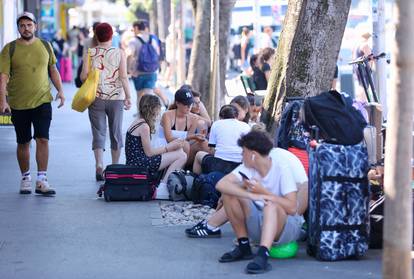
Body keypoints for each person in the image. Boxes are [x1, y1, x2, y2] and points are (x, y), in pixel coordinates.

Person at [186, 134, 308, 245]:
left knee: (247, 191)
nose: (241, 156)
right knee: (239, 191)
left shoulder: (271, 164)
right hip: (289, 214)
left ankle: (211, 225)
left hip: (286, 219)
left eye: (243, 152)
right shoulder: (269, 158)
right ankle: (213, 226)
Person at [216, 131, 306, 274]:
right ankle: (244, 246)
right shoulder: (247, 168)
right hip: (260, 223)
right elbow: (221, 184)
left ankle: (263, 255)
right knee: (229, 194)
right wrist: (249, 194)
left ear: (253, 155)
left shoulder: (281, 168)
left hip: (286, 227)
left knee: (270, 205)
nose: (241, 156)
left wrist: (262, 192)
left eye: (243, 152)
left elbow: (292, 207)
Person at [0, 12, 65, 195]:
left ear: (35, 26)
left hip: (43, 100)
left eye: (29, 25)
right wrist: (2, 100)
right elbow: (3, 77)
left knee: (43, 138)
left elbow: (53, 69)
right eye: (22, 25)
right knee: (23, 142)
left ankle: (42, 180)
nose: (26, 28)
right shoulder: (9, 48)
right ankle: (25, 178)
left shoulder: (45, 45)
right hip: (18, 103)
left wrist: (60, 90)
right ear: (18, 28)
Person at [80, 22, 132, 181]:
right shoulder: (120, 53)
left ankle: (99, 164)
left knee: (98, 132)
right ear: (111, 36)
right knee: (115, 132)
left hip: (96, 98)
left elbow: (83, 77)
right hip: (116, 98)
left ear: (96, 36)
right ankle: (115, 166)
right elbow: (123, 76)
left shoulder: (90, 52)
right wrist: (129, 97)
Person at [125, 94, 187, 199]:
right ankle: (162, 188)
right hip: (139, 164)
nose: (159, 113)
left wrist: (169, 148)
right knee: (182, 156)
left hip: (135, 161)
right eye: (158, 109)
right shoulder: (144, 126)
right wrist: (169, 147)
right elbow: (149, 153)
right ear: (152, 109)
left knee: (179, 151)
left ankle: (163, 183)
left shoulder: (137, 122)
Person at [192, 104, 251, 175]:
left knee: (199, 155)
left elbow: (212, 150)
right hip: (239, 167)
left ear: (220, 117)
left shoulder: (216, 124)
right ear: (237, 116)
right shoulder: (246, 126)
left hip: (219, 165)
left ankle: (196, 180)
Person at [160, 87, 208, 166]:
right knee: (185, 144)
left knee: (204, 143)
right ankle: (179, 170)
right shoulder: (167, 115)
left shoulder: (194, 118)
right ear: (177, 103)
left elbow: (189, 140)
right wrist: (193, 136)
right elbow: (169, 139)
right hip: (164, 147)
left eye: (191, 103)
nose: (189, 107)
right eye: (186, 104)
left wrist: (197, 137)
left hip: (183, 149)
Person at [127, 20, 160, 108]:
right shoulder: (152, 39)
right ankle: (149, 115)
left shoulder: (133, 40)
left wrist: (129, 69)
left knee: (140, 96)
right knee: (149, 95)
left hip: (138, 73)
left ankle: (140, 115)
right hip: (151, 72)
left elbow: (130, 54)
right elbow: (157, 53)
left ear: (137, 28)